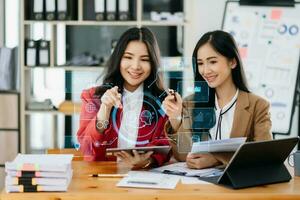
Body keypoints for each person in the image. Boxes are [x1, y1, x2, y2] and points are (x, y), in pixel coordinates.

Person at [162, 30, 272, 169]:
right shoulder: (191, 103)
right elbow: (182, 156)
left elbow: (264, 156)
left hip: (238, 188)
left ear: (232, 62)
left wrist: (217, 159)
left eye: (212, 62)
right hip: (198, 187)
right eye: (200, 63)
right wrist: (176, 118)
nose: (205, 71)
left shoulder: (258, 105)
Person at [77, 27, 170, 169]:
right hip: (103, 181)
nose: (135, 66)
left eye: (144, 59)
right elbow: (87, 149)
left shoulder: (162, 101)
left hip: (145, 180)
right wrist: (104, 111)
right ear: (118, 58)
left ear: (153, 64)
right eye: (128, 57)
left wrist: (147, 161)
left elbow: (165, 148)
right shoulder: (92, 97)